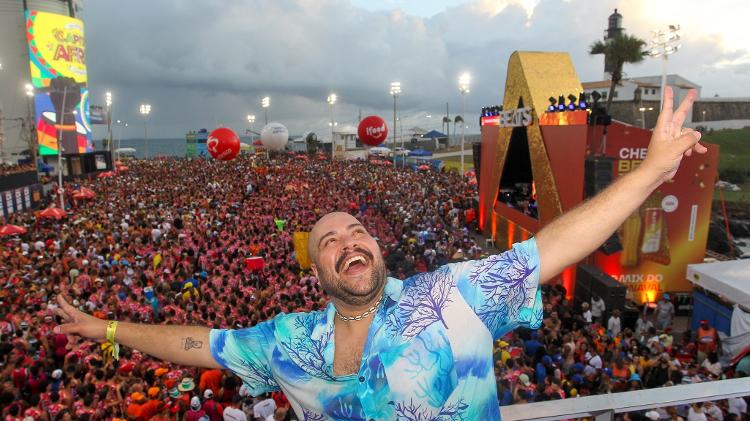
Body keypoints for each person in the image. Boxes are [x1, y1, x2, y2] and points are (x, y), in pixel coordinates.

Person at [53, 88, 705, 420]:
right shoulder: (286, 342)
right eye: (330, 239)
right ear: (318, 272)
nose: (348, 239)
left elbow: (555, 244)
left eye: (356, 230)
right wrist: (105, 328)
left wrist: (649, 174)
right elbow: (197, 343)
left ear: (377, 248)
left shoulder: (451, 295)